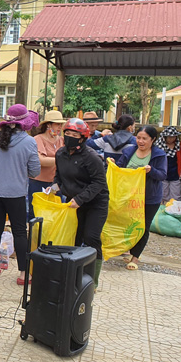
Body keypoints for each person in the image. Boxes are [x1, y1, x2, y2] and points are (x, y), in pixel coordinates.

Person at [0, 104, 40, 285]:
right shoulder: (30, 142)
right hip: (16, 192)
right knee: (19, 231)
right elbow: (35, 171)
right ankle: (24, 274)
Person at [54, 119, 109, 290]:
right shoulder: (60, 154)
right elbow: (59, 176)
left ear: (83, 137)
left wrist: (80, 199)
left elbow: (99, 182)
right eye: (67, 134)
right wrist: (56, 187)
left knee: (91, 237)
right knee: (74, 238)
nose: (70, 137)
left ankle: (92, 280)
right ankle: (74, 275)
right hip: (72, 202)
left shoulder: (91, 157)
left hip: (95, 202)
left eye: (74, 135)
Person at [114, 126, 167, 270]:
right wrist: (113, 165)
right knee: (129, 224)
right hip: (130, 196)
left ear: (153, 140)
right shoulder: (129, 151)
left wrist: (151, 170)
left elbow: (162, 175)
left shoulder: (158, 155)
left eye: (144, 138)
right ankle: (130, 250)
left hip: (149, 198)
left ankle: (135, 258)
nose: (141, 141)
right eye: (138, 138)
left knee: (143, 227)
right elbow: (120, 167)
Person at [29, 110, 66, 219]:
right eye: (57, 124)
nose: (59, 127)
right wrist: (62, 160)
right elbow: (41, 160)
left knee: (54, 214)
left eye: (61, 124)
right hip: (38, 182)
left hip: (56, 183)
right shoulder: (38, 139)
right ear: (48, 125)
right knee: (36, 213)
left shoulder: (62, 140)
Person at [156, 126, 181, 203]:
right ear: (165, 137)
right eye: (169, 137)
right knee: (163, 194)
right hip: (163, 174)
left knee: (176, 195)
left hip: (176, 173)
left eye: (173, 137)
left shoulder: (179, 145)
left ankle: (174, 210)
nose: (171, 139)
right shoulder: (159, 145)